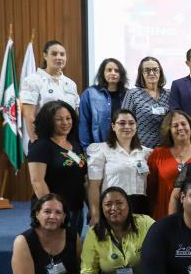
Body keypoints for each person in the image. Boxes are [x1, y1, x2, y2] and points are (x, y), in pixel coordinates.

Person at [28, 101, 88, 233]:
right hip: (53, 212)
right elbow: (37, 181)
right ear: (48, 121)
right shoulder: (40, 146)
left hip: (76, 208)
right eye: (59, 119)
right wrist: (53, 211)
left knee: (73, 243)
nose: (65, 123)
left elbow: (84, 178)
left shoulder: (75, 145)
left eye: (68, 118)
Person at [86, 109, 152, 222]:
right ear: (113, 126)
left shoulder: (145, 152)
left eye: (131, 123)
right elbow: (94, 186)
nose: (127, 126)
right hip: (113, 208)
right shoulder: (101, 150)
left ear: (136, 126)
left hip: (140, 209)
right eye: (122, 123)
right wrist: (95, 215)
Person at [146, 110, 191, 220]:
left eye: (183, 124)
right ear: (169, 130)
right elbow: (151, 189)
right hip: (163, 215)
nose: (180, 128)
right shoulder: (158, 154)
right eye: (175, 125)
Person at [20, 40, 79, 142]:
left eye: (62, 54)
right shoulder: (33, 80)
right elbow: (29, 116)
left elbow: (76, 114)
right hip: (44, 139)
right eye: (54, 54)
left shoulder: (71, 84)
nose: (59, 57)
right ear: (45, 55)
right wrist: (36, 142)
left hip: (68, 139)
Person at [122, 56, 171, 149]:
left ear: (160, 72)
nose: (151, 73)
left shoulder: (169, 94)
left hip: (166, 149)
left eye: (155, 70)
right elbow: (124, 122)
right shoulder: (133, 94)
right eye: (147, 70)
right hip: (140, 149)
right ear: (141, 73)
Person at [79, 58, 128, 148]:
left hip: (123, 146)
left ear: (121, 74)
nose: (113, 73)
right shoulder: (90, 93)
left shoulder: (128, 94)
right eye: (109, 70)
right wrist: (86, 148)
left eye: (116, 71)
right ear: (102, 73)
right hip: (98, 147)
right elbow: (84, 123)